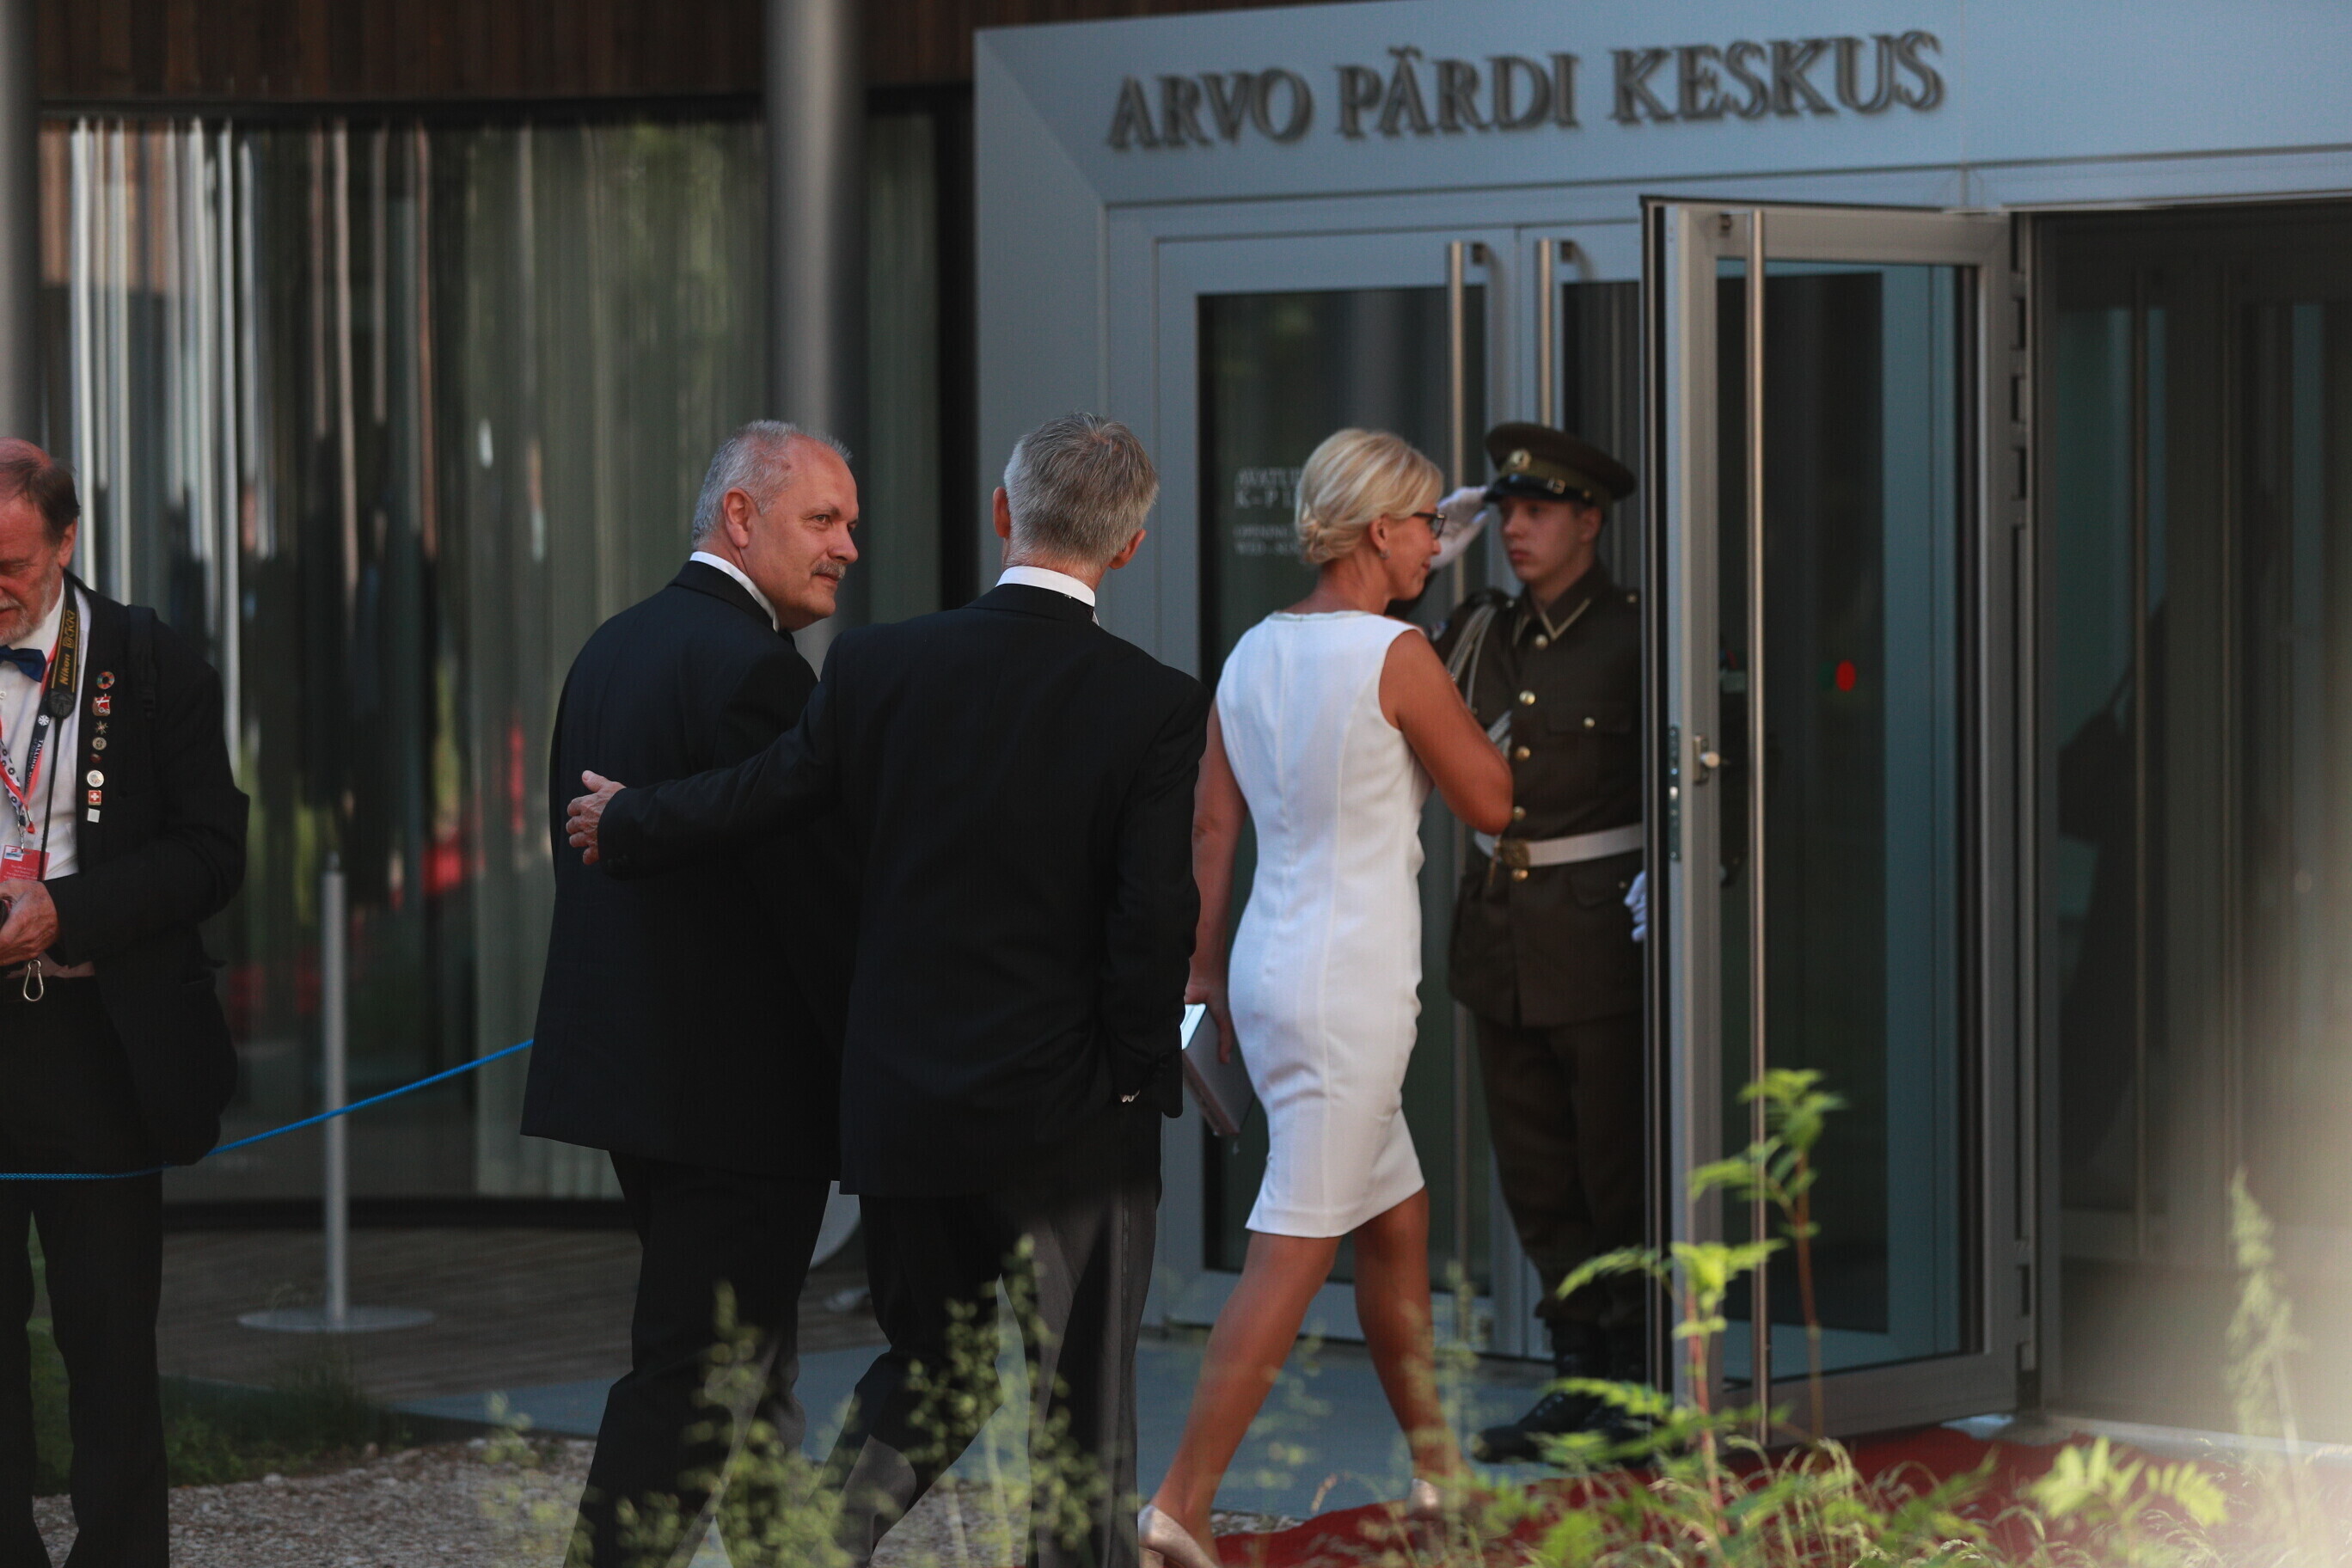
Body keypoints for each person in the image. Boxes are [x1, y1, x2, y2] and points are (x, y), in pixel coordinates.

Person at [565, 413, 1205, 1568]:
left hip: (907, 1106)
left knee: (935, 1363)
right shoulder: (1150, 701)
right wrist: (1137, 1076)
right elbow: (1154, 916)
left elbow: (764, 792)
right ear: (1130, 546)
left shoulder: (878, 664)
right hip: (1068, 1115)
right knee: (1080, 1415)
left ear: (1004, 514)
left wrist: (631, 818)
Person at [1139, 430, 1512, 1568]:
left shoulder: (1253, 649)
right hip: (1351, 983)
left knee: (1395, 1220)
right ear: (1379, 530)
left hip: (1269, 967)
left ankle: (1442, 1476)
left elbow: (1213, 825)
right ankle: (1179, 1507)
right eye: (1426, 527)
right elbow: (1493, 801)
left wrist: (1203, 970)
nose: (1437, 547)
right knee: (1293, 1245)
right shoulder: (1399, 653)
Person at [524, 421, 861, 1565]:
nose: (847, 547)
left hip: (640, 1085)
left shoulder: (612, 647)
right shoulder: (757, 671)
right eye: (823, 519)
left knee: (748, 1366)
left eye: (850, 523)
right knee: (700, 1374)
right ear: (740, 516)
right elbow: (810, 901)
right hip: (738, 1102)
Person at [0, 440, 248, 1568]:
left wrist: (70, 913)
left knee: (107, 1344)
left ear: (66, 542)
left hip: (97, 1045)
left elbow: (213, 850)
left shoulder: (148, 663)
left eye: (11, 564)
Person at [1428, 421, 1645, 1461]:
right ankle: (1577, 1380)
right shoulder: (1480, 627)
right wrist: (1425, 561)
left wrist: (1687, 877)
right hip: (1500, 940)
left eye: (1538, 513)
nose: (1515, 529)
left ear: (1589, 523)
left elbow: (1733, 759)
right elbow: (1382, 677)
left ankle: (1637, 1385)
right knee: (1538, 1174)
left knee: (1617, 1171)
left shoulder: (1639, 632)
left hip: (1602, 939)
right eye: (1506, 511)